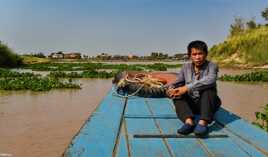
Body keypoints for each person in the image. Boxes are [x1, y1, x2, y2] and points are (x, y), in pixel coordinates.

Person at [166, 40, 221, 137]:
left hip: (208, 104)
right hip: (192, 105)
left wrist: (187, 88)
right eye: (194, 54)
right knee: (177, 92)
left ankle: (203, 123)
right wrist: (171, 89)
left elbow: (210, 80)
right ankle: (189, 122)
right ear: (190, 56)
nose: (197, 57)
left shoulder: (212, 66)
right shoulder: (185, 67)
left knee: (209, 90)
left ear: (206, 54)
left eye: (200, 54)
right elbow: (178, 81)